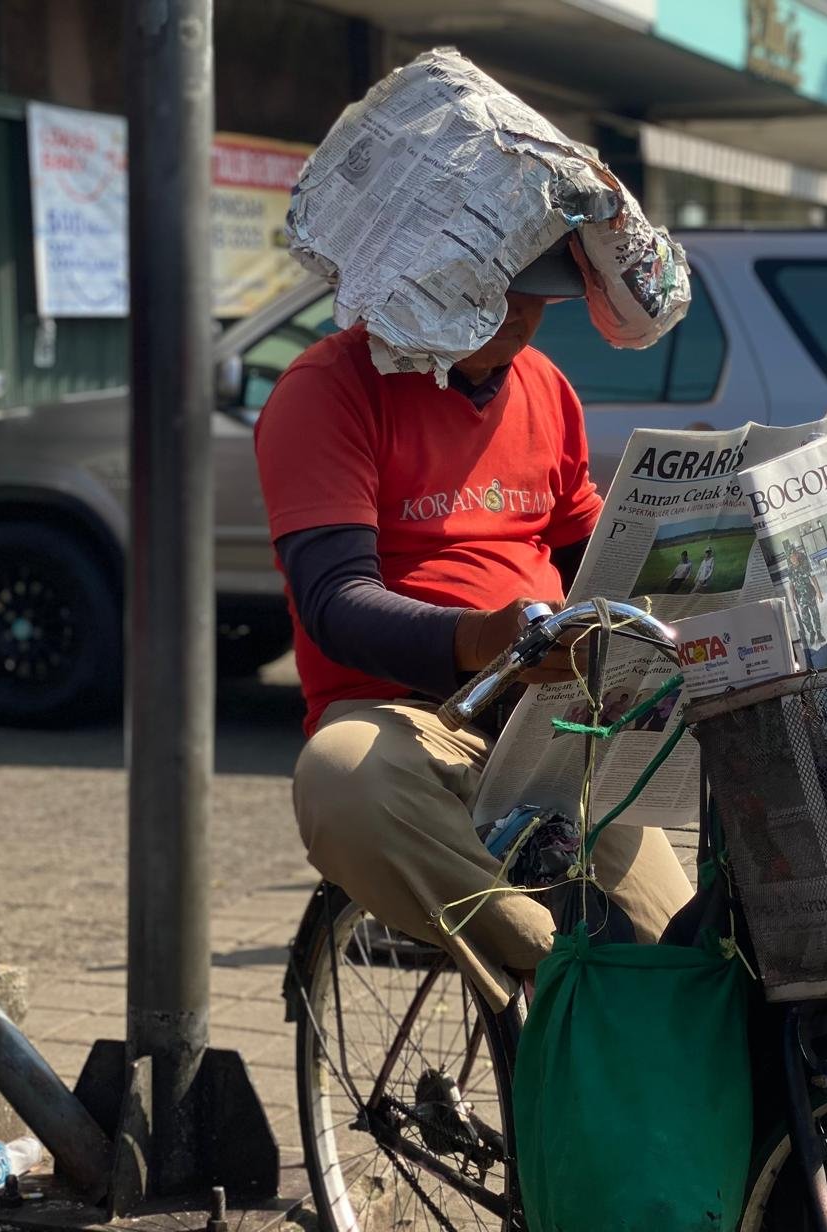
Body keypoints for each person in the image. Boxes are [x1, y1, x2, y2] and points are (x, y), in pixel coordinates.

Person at [254, 236, 692, 1012]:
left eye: (537, 298)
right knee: (340, 779)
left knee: (689, 969)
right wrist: (487, 639)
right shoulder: (328, 388)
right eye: (495, 293)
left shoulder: (543, 385)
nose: (520, 317)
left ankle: (611, 994)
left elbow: (586, 544)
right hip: (404, 716)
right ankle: (552, 958)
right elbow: (334, 601)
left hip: (551, 716)